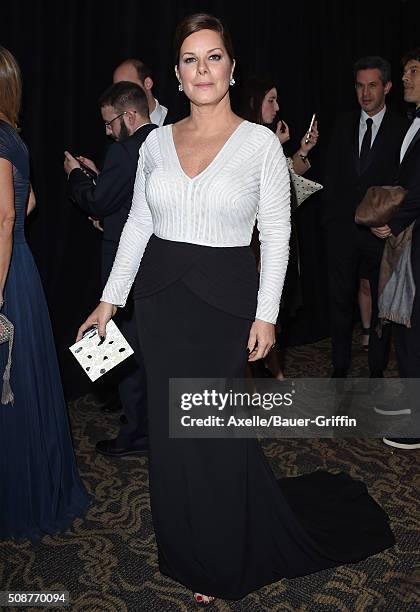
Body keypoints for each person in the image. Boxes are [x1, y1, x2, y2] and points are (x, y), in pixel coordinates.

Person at [77, 14, 395, 604]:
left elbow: (277, 235)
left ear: (231, 67)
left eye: (214, 56)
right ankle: (182, 545)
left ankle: (223, 551)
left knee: (215, 434)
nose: (203, 69)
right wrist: (108, 300)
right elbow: (140, 225)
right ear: (175, 75)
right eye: (191, 59)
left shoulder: (257, 145)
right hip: (158, 301)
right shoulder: (152, 144)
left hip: (224, 303)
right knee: (172, 437)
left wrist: (267, 314)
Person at [0, 46, 89, 541]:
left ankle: (20, 496)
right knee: (24, 388)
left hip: (5, 276)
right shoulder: (14, 137)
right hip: (20, 270)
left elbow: (10, 216)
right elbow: (28, 201)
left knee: (11, 390)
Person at [64, 81, 156, 457]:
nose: (106, 130)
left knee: (123, 352)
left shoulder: (124, 151)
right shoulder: (164, 142)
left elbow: (99, 203)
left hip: (124, 266)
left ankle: (135, 435)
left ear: (129, 116)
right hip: (156, 266)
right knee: (144, 351)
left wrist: (75, 176)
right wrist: (100, 174)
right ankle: (145, 425)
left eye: (109, 122)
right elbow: (131, 196)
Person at [323, 56, 408, 378]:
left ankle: (376, 370)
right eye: (360, 86)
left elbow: (405, 183)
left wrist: (394, 224)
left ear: (386, 87)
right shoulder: (342, 124)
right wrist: (330, 225)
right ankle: (339, 366)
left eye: (372, 85)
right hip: (342, 232)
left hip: (381, 232)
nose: (365, 93)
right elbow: (332, 177)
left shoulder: (403, 129)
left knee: (382, 303)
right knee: (340, 302)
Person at [240, 76, 319, 377]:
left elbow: (284, 184)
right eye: (270, 100)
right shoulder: (248, 138)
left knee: (271, 311)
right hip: (250, 246)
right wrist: (276, 145)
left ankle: (273, 371)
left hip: (269, 241)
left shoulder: (266, 139)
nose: (277, 107)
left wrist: (301, 151)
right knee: (253, 313)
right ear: (255, 103)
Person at [372, 48, 420, 450]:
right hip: (410, 237)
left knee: (412, 326)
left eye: (413, 71)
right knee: (406, 324)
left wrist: (396, 220)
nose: (406, 78)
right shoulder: (413, 121)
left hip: (414, 235)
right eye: (405, 71)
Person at [113, 58, 169, 126]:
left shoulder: (175, 123)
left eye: (127, 87)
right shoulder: (119, 128)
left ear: (148, 83)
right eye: (117, 90)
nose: (121, 95)